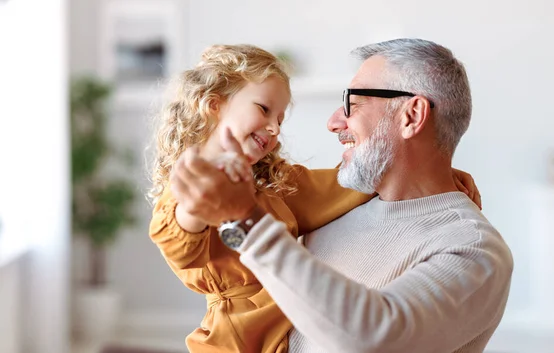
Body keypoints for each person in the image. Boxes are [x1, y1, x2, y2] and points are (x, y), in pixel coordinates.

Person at [168, 38, 513, 353]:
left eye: (353, 103)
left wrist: (245, 219)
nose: (334, 122)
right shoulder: (340, 208)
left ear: (411, 116)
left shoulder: (473, 250)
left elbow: (374, 338)